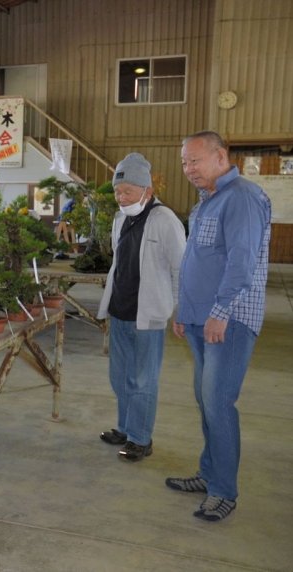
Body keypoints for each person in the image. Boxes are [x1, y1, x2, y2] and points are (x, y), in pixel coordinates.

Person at [168, 131, 271, 522]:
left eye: (194, 161)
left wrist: (220, 312)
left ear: (220, 156)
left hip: (227, 322)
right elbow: (200, 261)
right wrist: (185, 310)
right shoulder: (208, 202)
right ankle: (209, 474)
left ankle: (223, 491)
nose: (188, 169)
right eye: (184, 162)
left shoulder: (242, 197)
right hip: (200, 318)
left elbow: (241, 264)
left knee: (218, 404)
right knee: (205, 403)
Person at [97, 153, 186, 462]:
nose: (121, 198)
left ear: (147, 191)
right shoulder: (120, 218)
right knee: (120, 377)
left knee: (143, 380)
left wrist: (180, 309)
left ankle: (141, 438)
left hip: (149, 315)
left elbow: (181, 268)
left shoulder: (165, 220)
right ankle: (124, 427)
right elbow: (118, 262)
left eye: (128, 192)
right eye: (117, 192)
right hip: (120, 310)